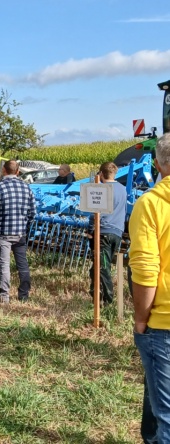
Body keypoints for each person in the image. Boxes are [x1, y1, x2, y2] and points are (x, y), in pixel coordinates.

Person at [129, 134, 170, 443]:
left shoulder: (151, 204)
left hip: (163, 322)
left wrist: (141, 321)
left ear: (157, 164)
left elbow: (145, 271)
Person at [0, 160, 35, 303]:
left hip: (3, 233)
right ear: (18, 171)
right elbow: (33, 212)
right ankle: (24, 294)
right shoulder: (26, 187)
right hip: (20, 233)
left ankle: (4, 296)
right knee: (22, 264)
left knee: (4, 265)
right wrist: (25, 227)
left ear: (3, 170)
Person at [88, 162, 127, 306]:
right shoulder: (123, 190)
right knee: (97, 267)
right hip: (117, 233)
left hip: (103, 233)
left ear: (101, 174)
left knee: (103, 267)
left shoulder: (101, 189)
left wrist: (90, 231)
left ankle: (107, 301)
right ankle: (95, 295)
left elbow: (95, 213)